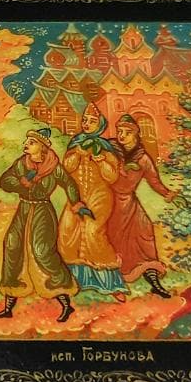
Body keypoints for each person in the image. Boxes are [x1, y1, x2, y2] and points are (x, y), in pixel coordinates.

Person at [0, 128, 90, 323]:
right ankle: (9, 305)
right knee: (12, 245)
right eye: (27, 141)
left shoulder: (53, 166)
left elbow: (69, 184)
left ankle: (65, 302)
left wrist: (76, 204)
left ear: (42, 147)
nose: (26, 144)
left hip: (42, 211)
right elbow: (4, 181)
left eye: (31, 142)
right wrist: (21, 183)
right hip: (24, 209)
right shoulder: (22, 163)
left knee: (42, 250)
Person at [58, 103, 128, 302]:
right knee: (67, 232)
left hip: (100, 195)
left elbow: (112, 177)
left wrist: (101, 161)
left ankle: (110, 284)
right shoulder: (76, 144)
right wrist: (77, 154)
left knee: (92, 231)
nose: (87, 124)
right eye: (85, 120)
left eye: (92, 121)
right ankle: (73, 282)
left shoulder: (106, 148)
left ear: (100, 124)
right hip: (77, 197)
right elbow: (66, 168)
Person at [107, 114, 176, 298]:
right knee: (113, 242)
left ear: (136, 134)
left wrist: (167, 193)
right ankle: (114, 284)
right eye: (120, 131)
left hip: (130, 204)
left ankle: (154, 281)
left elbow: (154, 181)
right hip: (110, 203)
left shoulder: (143, 158)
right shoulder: (111, 151)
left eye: (127, 132)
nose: (122, 135)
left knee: (145, 233)